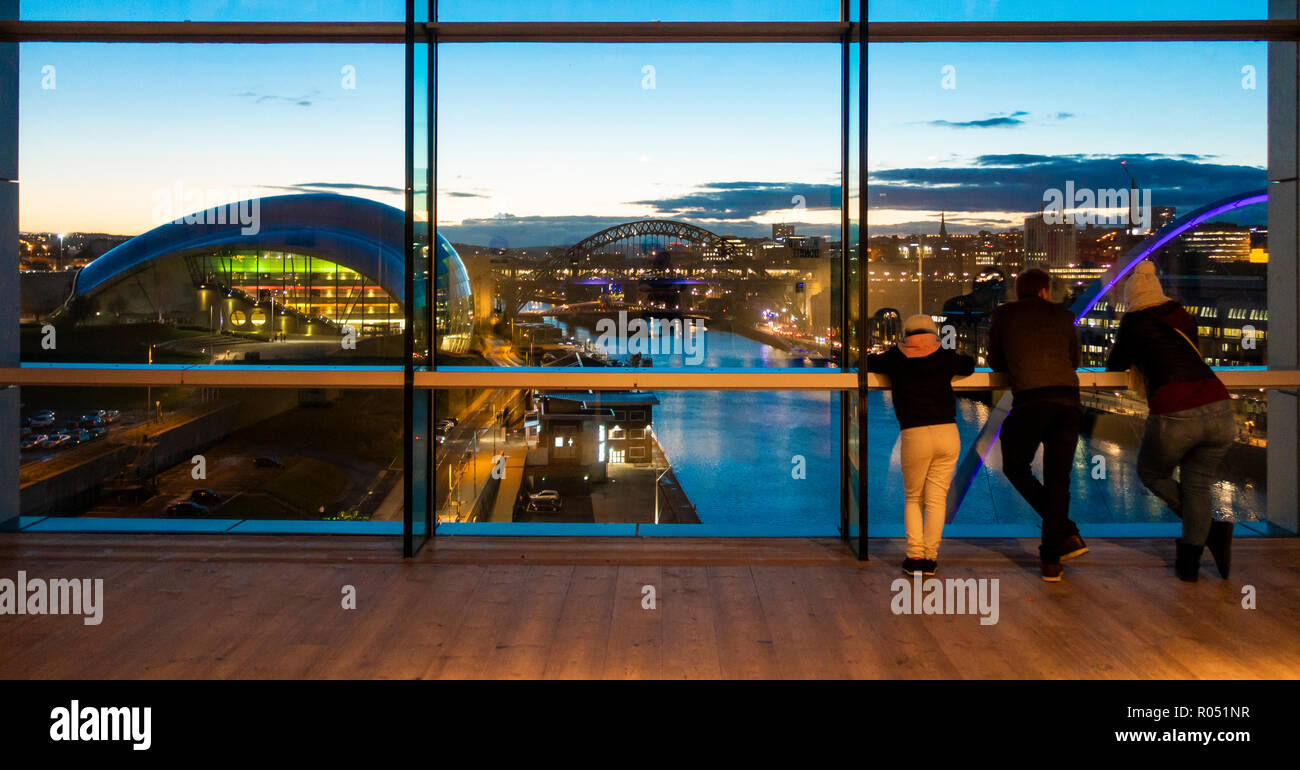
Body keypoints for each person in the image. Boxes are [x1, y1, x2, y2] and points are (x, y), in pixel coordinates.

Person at [1105, 260, 1234, 582]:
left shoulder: (1134, 322)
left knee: (1152, 473)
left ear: (1132, 297)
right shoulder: (1182, 317)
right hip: (1219, 407)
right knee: (1197, 486)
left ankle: (1211, 533)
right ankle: (1190, 563)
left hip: (1176, 411)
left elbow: (1115, 364)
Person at [988, 269, 1089, 582]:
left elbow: (995, 362)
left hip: (1030, 402)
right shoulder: (1064, 315)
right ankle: (1052, 560)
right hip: (1068, 403)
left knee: (1015, 468)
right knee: (1060, 480)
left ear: (1020, 292)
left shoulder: (1004, 316)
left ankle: (1066, 535)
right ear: (1045, 291)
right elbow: (1074, 361)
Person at [867, 314, 975, 576]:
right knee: (937, 500)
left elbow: (869, 361)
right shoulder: (946, 356)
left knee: (914, 498)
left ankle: (915, 556)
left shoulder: (896, 357)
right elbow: (969, 365)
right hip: (948, 433)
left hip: (915, 433)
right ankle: (930, 558)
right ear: (933, 332)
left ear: (906, 334)